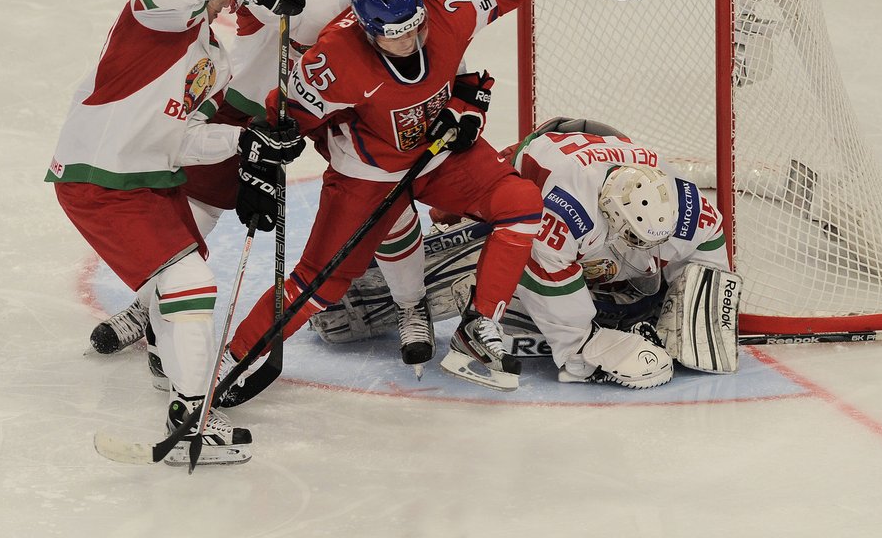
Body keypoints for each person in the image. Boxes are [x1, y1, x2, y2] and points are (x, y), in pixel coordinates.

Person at [224, 0, 646, 393]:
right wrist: (265, 162)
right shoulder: (331, 62)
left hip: (442, 156)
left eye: (415, 26)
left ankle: (479, 325)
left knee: (521, 203)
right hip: (368, 177)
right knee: (317, 286)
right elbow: (281, 122)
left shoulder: (446, 7)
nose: (411, 39)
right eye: (396, 34)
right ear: (368, 31)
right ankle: (231, 360)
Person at [91, 0, 435, 373]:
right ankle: (149, 308)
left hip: (351, 104)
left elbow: (427, 4)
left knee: (384, 204)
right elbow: (295, 16)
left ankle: (411, 306)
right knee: (199, 206)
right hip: (263, 105)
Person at [48, 0, 306, 465]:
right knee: (188, 282)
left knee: (181, 288)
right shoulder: (157, 14)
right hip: (101, 179)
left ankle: (185, 404)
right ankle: (191, 419)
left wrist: (246, 141)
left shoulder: (212, 55)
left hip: (149, 180)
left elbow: (183, 137)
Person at [308, 117, 743, 389]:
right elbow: (544, 271)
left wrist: (700, 311)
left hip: (588, 146)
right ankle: (344, 301)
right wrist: (583, 349)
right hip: (523, 172)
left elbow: (709, 262)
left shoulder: (684, 206)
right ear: (609, 213)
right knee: (479, 262)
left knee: (617, 284)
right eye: (633, 239)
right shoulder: (566, 213)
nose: (644, 249)